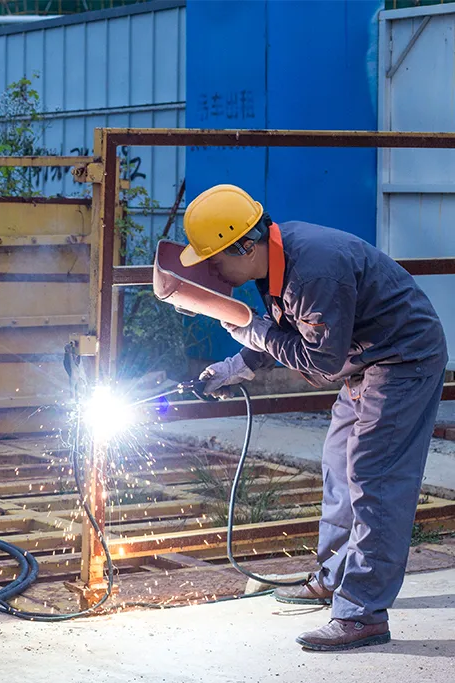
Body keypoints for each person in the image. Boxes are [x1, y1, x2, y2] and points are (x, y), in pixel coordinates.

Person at [178, 184, 448, 651]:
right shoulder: (273, 264)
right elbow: (285, 332)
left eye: (216, 259)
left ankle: (362, 613)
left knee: (374, 478)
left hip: (403, 361)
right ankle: (334, 577)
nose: (213, 271)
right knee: (339, 467)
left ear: (245, 244)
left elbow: (319, 363)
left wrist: (256, 333)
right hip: (365, 361)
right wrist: (232, 368)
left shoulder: (316, 270)